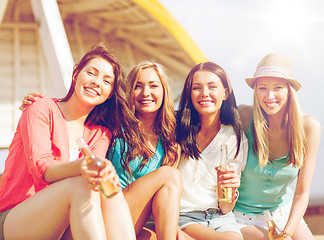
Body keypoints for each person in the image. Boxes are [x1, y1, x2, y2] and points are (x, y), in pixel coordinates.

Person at [0, 43, 137, 240]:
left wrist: (103, 172)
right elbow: (42, 168)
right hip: (16, 217)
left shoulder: (101, 134)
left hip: (65, 221)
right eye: (91, 73)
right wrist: (83, 167)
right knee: (81, 183)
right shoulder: (41, 108)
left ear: (110, 94)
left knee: (107, 185)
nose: (97, 82)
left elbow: (94, 180)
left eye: (107, 81)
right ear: (76, 75)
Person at [234, 54, 321, 240]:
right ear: (255, 91)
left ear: (289, 91)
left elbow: (301, 192)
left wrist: (287, 233)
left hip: (283, 213)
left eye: (278, 88)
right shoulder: (243, 117)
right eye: (262, 88)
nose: (269, 96)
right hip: (240, 218)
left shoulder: (309, 127)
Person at [107, 61, 184, 240]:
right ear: (130, 92)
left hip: (135, 221)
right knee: (170, 175)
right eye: (138, 86)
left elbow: (162, 198)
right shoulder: (115, 123)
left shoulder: (170, 139)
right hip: (110, 209)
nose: (146, 93)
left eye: (153, 86)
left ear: (164, 91)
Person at [175, 62, 248, 240]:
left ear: (225, 93)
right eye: (197, 88)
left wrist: (232, 190)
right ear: (189, 93)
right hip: (183, 217)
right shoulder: (176, 129)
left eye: (212, 86)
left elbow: (225, 208)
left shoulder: (234, 138)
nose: (204, 93)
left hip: (221, 218)